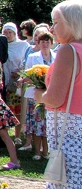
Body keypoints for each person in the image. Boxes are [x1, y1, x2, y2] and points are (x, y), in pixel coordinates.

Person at [4, 0, 82, 189]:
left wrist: (36, 91)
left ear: (72, 24)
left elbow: (54, 97)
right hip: (77, 133)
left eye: (58, 22)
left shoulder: (68, 52)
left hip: (69, 134)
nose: (52, 27)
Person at [23, 30, 56, 160]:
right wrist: (39, 81)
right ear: (38, 43)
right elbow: (27, 75)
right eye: (42, 41)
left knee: (48, 124)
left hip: (50, 95)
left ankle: (46, 151)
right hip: (36, 95)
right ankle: (37, 151)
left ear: (52, 43)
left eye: (47, 41)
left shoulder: (57, 56)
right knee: (37, 124)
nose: (45, 44)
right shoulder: (33, 57)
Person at [3, 22, 29, 143]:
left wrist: (19, 72)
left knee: (18, 109)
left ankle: (18, 135)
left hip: (17, 82)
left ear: (15, 33)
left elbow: (27, 61)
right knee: (6, 109)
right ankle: (6, 134)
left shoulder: (23, 45)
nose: (8, 35)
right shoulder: (1, 44)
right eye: (5, 32)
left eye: (10, 32)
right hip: (4, 80)